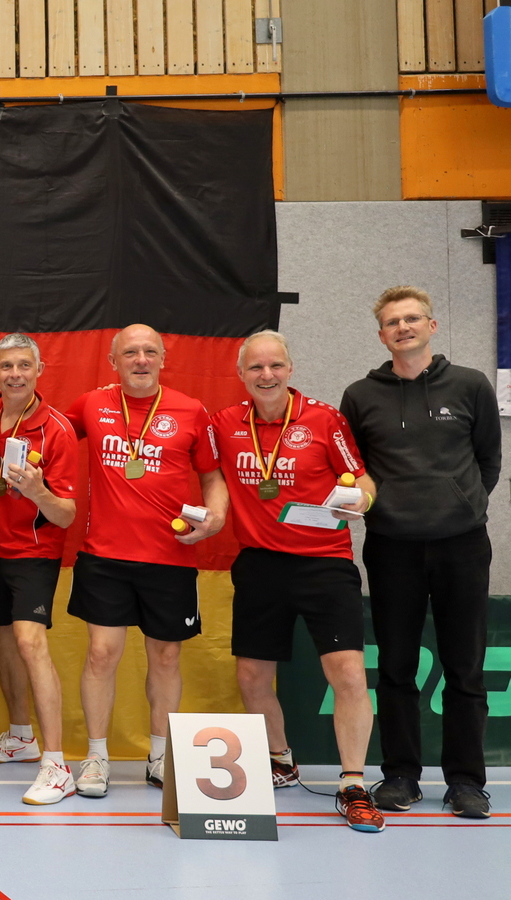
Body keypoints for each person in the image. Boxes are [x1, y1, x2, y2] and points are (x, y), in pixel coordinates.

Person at [213, 330, 384, 832]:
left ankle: (353, 784)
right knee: (252, 676)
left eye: (275, 366)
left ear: (290, 368)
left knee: (348, 674)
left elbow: (363, 478)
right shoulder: (224, 423)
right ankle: (280, 760)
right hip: (259, 564)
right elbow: (203, 469)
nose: (266, 375)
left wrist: (361, 502)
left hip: (324, 563)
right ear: (240, 374)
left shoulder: (324, 419)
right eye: (256, 367)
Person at [341, 286, 500, 819]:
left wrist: (462, 505)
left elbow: (488, 461)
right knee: (396, 667)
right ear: (381, 335)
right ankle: (401, 776)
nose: (403, 327)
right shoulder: (360, 395)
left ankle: (466, 782)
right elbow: (355, 471)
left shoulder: (471, 385)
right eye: (393, 322)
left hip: (462, 545)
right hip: (392, 548)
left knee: (465, 668)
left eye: (412, 319)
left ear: (431, 326)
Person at [63, 324, 227, 798]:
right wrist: (10, 395)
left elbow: (212, 476)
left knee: (167, 656)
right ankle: (97, 757)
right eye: (130, 352)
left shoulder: (191, 410)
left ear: (162, 359)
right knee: (100, 654)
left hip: (170, 556)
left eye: (149, 352)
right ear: (113, 362)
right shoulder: (91, 404)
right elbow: (46, 429)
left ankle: (159, 756)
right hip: (105, 556)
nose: (140, 360)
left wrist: (216, 516)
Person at [0, 333, 80, 805]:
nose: (15, 374)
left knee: (29, 642)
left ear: (39, 370)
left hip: (36, 552)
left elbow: (67, 515)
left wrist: (38, 492)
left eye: (23, 366)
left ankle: (57, 766)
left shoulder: (57, 430)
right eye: (6, 367)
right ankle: (21, 736)